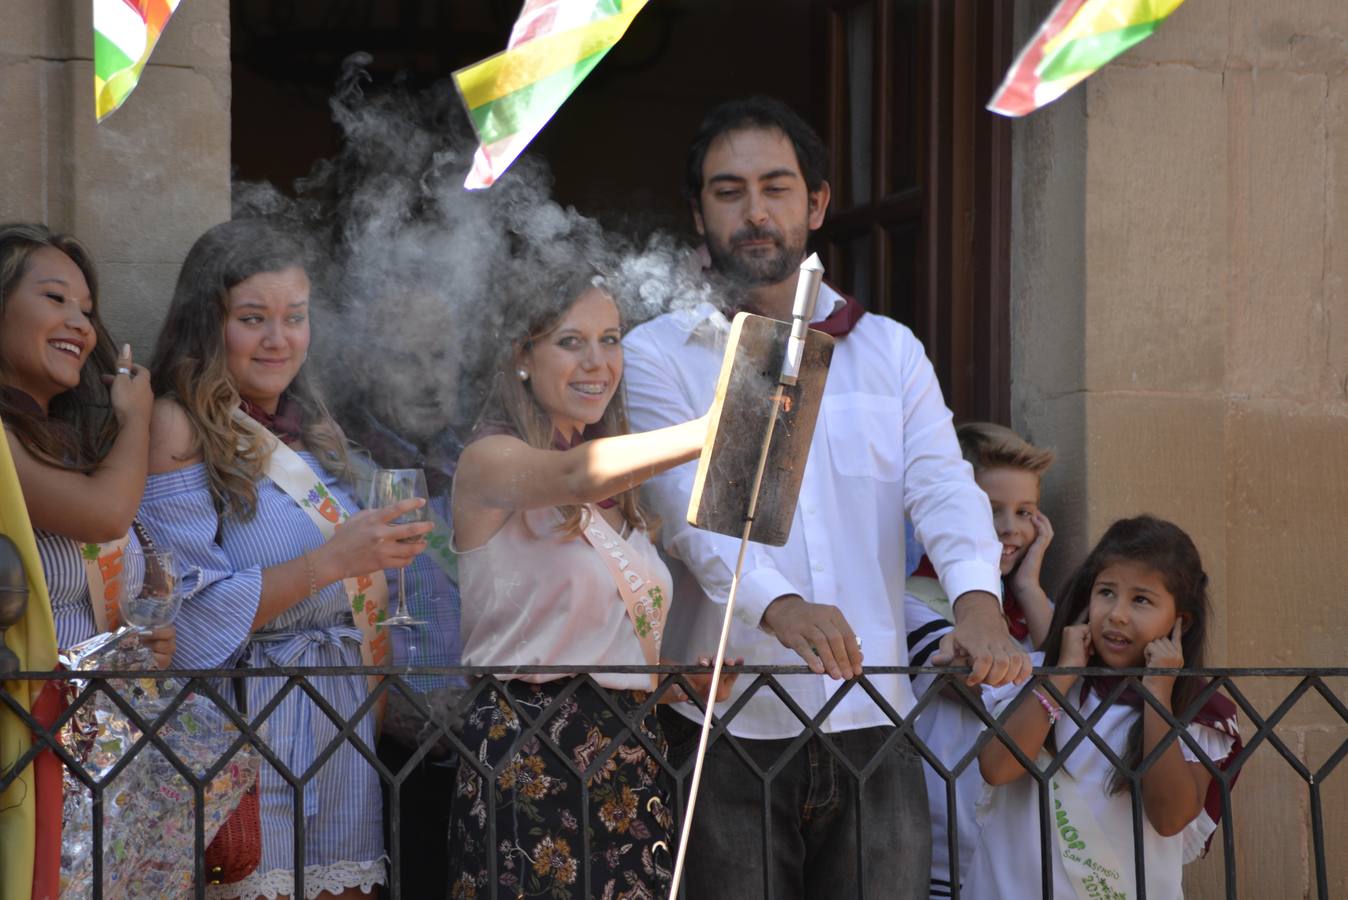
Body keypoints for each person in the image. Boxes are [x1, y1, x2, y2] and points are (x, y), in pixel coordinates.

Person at [622, 96, 1031, 898]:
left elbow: (944, 486)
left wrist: (977, 602)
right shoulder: (660, 350)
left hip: (873, 721)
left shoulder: (888, 348)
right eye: (728, 190)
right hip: (728, 726)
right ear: (697, 212)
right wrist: (781, 606)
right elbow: (685, 513)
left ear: (816, 204)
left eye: (776, 188)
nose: (754, 212)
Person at [139, 219, 431, 900]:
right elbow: (182, 613)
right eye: (253, 319)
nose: (279, 339)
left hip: (336, 711)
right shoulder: (178, 423)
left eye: (294, 318)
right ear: (208, 324)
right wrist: (331, 562)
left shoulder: (315, 431)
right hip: (245, 724)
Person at [446, 260, 734, 900]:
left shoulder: (622, 503)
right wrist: (713, 429)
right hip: (530, 756)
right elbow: (577, 475)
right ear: (523, 355)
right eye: (571, 342)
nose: (597, 362)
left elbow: (589, 645)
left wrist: (666, 683)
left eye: (611, 340)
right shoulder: (489, 461)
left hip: (628, 752)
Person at [969, 515, 1241, 899]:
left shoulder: (1196, 711)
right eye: (1106, 592)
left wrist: (1158, 698)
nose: (1117, 614)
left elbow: (1170, 817)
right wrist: (1063, 675)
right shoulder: (1037, 680)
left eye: (1142, 600)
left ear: (1180, 622)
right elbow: (997, 768)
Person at [329, 286, 466, 899]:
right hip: (374, 753)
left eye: (442, 356)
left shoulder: (475, 461)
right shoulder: (334, 465)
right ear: (366, 364)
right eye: (408, 358)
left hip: (469, 749)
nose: (432, 378)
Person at [0, 223, 174, 665]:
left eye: (88, 311)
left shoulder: (66, 441)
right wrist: (136, 419)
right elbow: (105, 515)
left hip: (81, 722)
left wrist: (140, 644)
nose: (80, 325)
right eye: (56, 299)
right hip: (23, 717)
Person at [906, 421, 1055, 899]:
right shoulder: (911, 600)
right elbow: (992, 685)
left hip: (1014, 848)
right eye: (991, 510)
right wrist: (1055, 677)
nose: (1010, 528)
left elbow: (1079, 695)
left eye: (1025, 512)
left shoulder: (1029, 610)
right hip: (942, 840)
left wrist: (1030, 587)